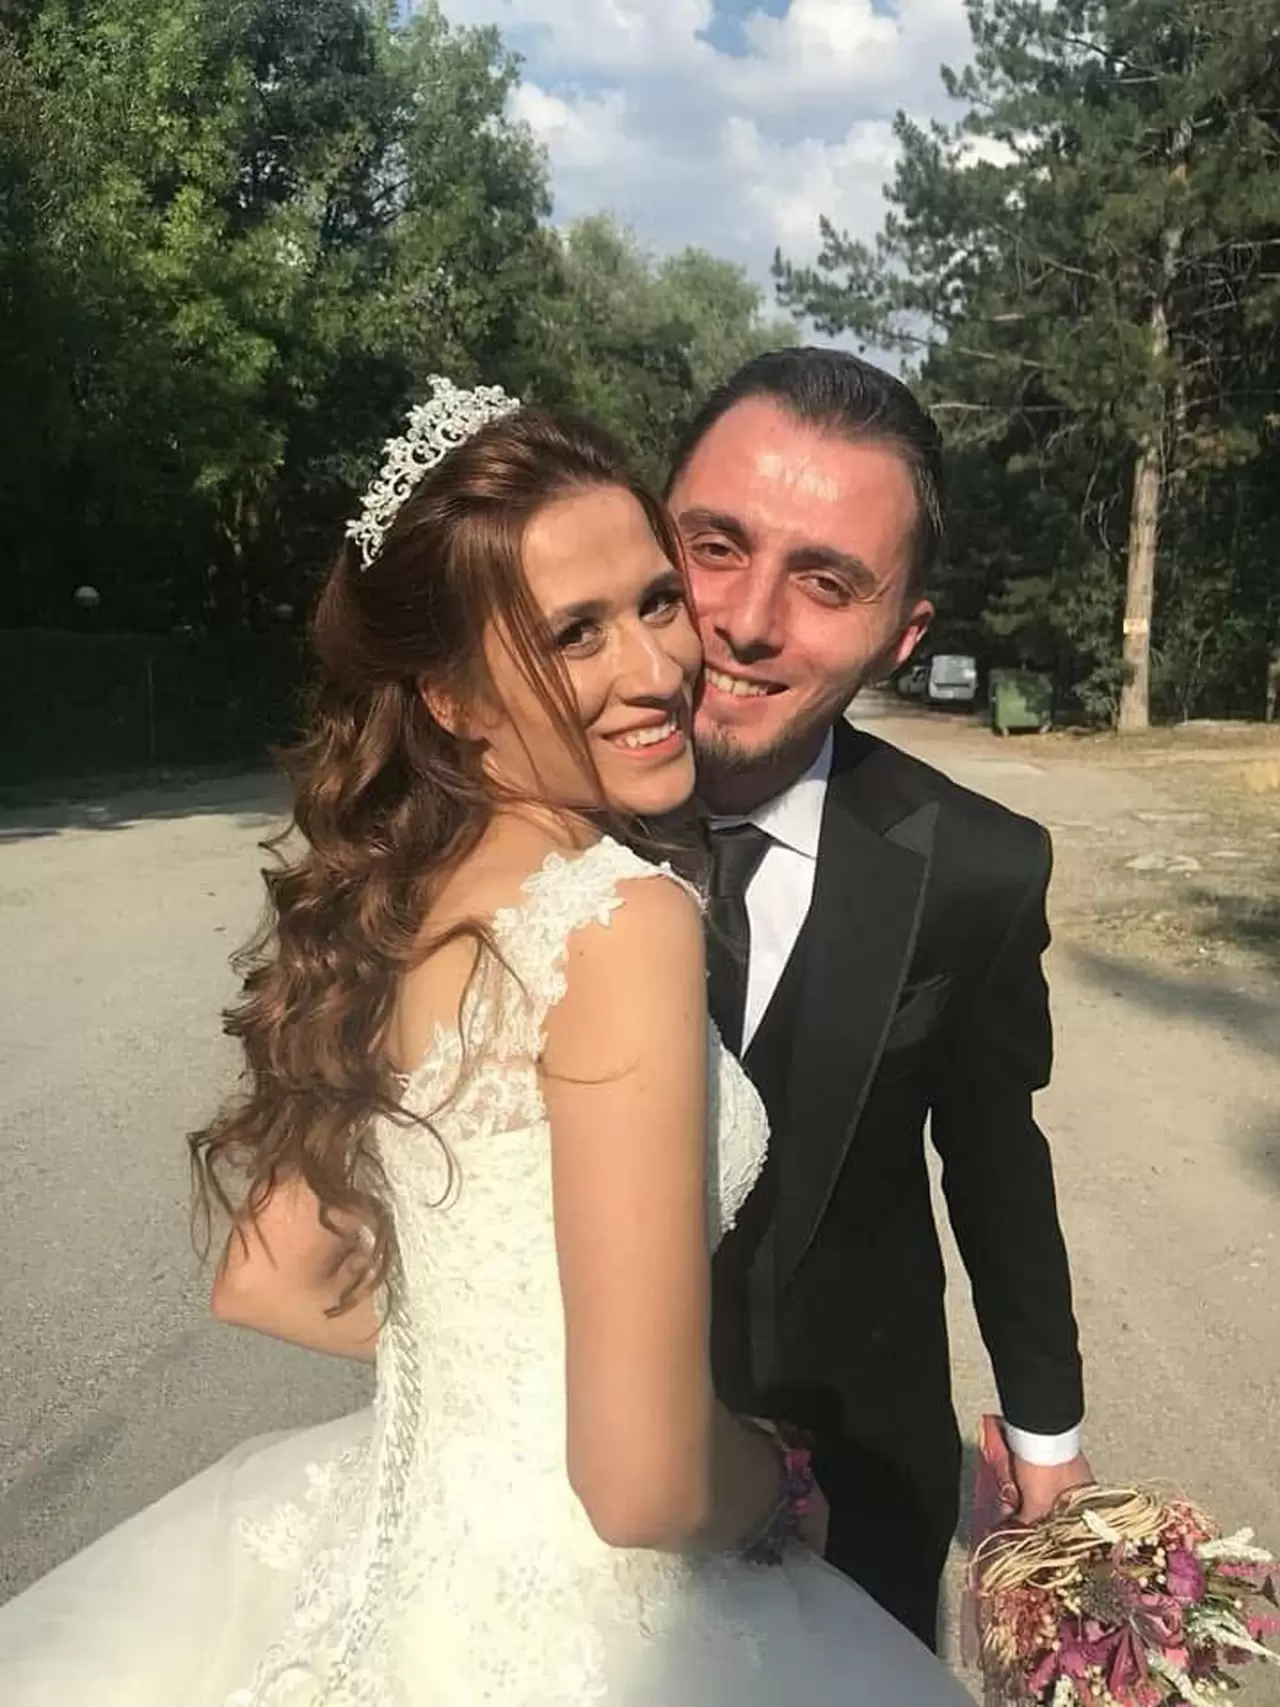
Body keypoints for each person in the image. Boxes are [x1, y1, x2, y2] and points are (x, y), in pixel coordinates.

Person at [0, 390, 970, 1705]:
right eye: (574, 634)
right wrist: (778, 1485)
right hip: (598, 1631)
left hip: (408, 1569)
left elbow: (270, 1275)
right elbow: (641, 1485)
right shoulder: (618, 922)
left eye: (655, 601)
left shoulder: (406, 896)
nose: (657, 668)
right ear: (451, 694)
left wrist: (506, 1384)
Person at [667, 346, 1091, 1650]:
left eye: (826, 581)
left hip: (861, 1484)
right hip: (546, 1484)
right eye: (714, 545)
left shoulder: (976, 869)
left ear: (904, 633)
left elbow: (997, 1164)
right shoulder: (503, 822)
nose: (746, 620)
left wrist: (1047, 1437)